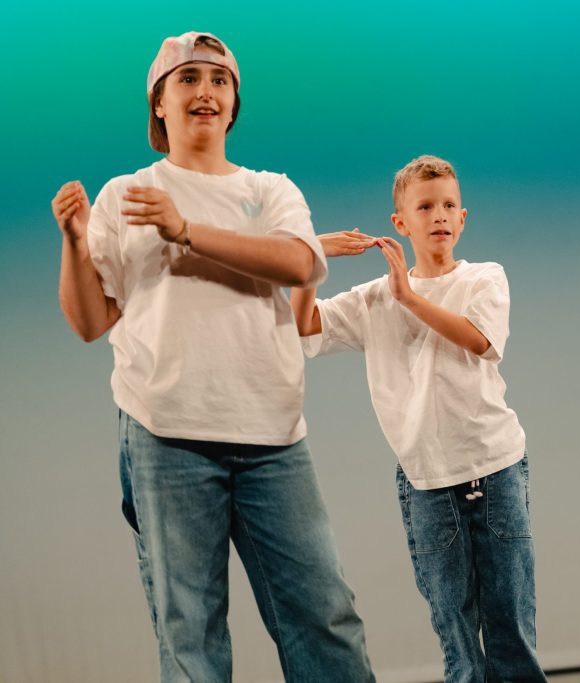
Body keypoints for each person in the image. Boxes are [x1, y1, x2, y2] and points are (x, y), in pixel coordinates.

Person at [50, 31, 374, 682]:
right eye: (188, 79)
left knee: (325, 618)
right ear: (159, 104)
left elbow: (301, 261)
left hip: (272, 435)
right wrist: (75, 243)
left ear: (233, 107)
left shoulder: (270, 190)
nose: (206, 91)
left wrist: (185, 231)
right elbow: (90, 322)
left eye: (219, 81)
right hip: (164, 432)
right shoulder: (125, 194)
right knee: (190, 635)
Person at [291, 155, 546, 682]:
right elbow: (304, 323)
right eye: (425, 207)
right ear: (400, 224)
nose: (440, 215)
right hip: (427, 483)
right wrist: (310, 258)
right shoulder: (375, 299)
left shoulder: (484, 277)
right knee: (455, 633)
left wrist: (407, 297)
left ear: (463, 218)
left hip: (495, 470)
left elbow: (479, 339)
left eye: (449, 205)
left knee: (511, 627)